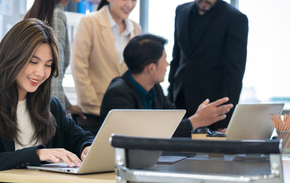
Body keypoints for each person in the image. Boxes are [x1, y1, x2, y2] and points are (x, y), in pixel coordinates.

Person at [0, 19, 93, 183]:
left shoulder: (50, 106)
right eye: (33, 62)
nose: (40, 72)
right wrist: (36, 154)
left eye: (48, 65)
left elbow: (80, 138)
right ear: (12, 57)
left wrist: (87, 148)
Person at [167, 0, 248, 131]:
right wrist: (170, 97)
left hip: (212, 112)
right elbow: (177, 58)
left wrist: (224, 122)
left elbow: (234, 74)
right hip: (178, 107)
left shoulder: (235, 20)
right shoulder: (181, 11)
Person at [100, 34, 233, 137]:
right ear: (151, 68)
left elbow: (174, 120)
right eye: (164, 60)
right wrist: (196, 120)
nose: (167, 65)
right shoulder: (118, 94)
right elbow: (143, 136)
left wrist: (202, 121)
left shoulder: (154, 89)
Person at [71, 0, 141, 135]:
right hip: (94, 114)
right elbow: (79, 67)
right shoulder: (90, 22)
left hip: (125, 113)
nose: (129, 4)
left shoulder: (136, 28)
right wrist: (93, 105)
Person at [25, 0, 86, 117]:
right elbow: (53, 74)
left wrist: (67, 104)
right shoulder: (56, 15)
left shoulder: (38, 11)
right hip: (44, 112)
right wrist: (59, 116)